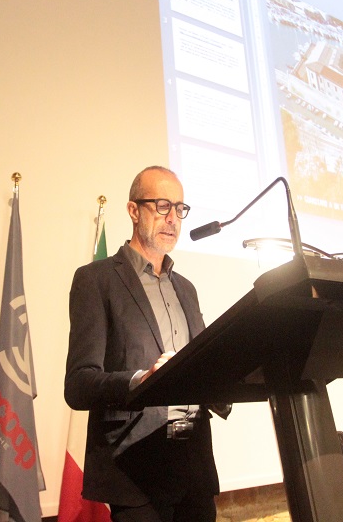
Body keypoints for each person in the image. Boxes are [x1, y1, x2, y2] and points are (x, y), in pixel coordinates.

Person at [65, 166, 226, 522]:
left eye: (180, 209)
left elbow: (200, 366)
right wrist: (141, 380)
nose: (173, 219)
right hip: (136, 471)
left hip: (194, 467)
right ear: (133, 211)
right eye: (162, 206)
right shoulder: (96, 280)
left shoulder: (186, 288)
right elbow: (78, 384)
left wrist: (229, 377)